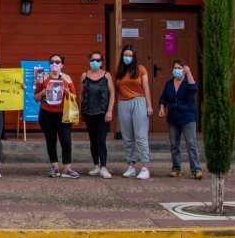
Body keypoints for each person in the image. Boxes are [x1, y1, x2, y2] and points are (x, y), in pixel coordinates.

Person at [34, 53, 78, 179]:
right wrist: (42, 92)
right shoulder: (43, 78)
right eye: (52, 62)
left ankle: (67, 168)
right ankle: (54, 167)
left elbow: (74, 97)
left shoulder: (67, 78)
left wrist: (67, 92)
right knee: (51, 140)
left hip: (63, 113)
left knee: (66, 141)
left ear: (62, 65)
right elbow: (36, 98)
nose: (54, 64)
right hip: (46, 113)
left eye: (57, 62)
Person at [158, 60, 202, 179]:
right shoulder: (169, 84)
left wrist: (189, 73)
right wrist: (162, 107)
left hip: (187, 117)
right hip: (173, 118)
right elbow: (164, 98)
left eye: (179, 68)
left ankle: (196, 170)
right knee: (174, 144)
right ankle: (176, 168)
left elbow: (193, 89)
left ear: (184, 70)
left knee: (191, 144)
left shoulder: (188, 82)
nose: (176, 70)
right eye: (175, 68)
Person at [115, 44, 153, 180]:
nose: (128, 57)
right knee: (127, 136)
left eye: (130, 55)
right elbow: (116, 89)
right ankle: (131, 165)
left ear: (134, 56)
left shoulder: (141, 69)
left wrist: (149, 106)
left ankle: (145, 167)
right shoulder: (119, 70)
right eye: (126, 55)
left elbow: (146, 87)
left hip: (139, 101)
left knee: (141, 136)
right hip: (123, 103)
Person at [80, 50, 115, 179]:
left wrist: (110, 110)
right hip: (88, 111)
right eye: (92, 60)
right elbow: (81, 94)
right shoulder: (84, 75)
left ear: (101, 62)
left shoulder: (107, 75)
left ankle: (104, 166)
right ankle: (95, 164)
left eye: (98, 60)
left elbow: (112, 93)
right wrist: (80, 110)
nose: (95, 62)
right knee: (93, 139)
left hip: (102, 112)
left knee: (101, 139)